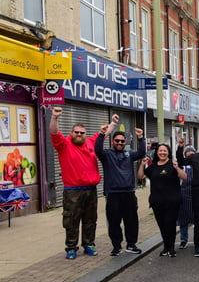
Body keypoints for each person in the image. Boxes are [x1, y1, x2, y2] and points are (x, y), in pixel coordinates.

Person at [49, 107, 102, 260]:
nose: (79, 134)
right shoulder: (64, 144)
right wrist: (55, 117)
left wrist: (112, 123)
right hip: (72, 190)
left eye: (82, 132)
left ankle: (89, 244)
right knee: (71, 220)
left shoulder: (91, 142)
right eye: (76, 132)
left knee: (90, 219)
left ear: (86, 135)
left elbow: (104, 133)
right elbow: (53, 132)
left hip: (91, 190)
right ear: (71, 133)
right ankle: (71, 248)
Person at [95, 115, 146, 256]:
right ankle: (116, 246)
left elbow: (142, 152)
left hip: (129, 193)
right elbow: (97, 150)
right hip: (113, 194)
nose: (120, 143)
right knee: (114, 222)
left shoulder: (129, 153)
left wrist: (141, 137)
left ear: (125, 143)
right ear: (112, 141)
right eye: (117, 141)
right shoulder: (106, 155)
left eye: (122, 141)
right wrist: (101, 134)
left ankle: (131, 244)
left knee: (131, 221)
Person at [137, 144, 187, 257]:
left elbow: (184, 177)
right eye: (160, 151)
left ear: (168, 152)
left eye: (164, 151)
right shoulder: (153, 167)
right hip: (157, 201)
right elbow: (140, 177)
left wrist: (177, 168)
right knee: (162, 225)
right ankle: (166, 246)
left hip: (172, 201)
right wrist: (142, 165)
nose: (162, 153)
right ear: (157, 153)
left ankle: (171, 247)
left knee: (170, 224)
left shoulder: (173, 164)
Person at [178, 145, 196, 249]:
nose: (190, 154)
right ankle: (183, 240)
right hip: (183, 196)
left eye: (192, 153)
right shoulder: (182, 167)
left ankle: (198, 239)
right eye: (188, 153)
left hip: (195, 195)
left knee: (197, 219)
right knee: (183, 220)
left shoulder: (197, 166)